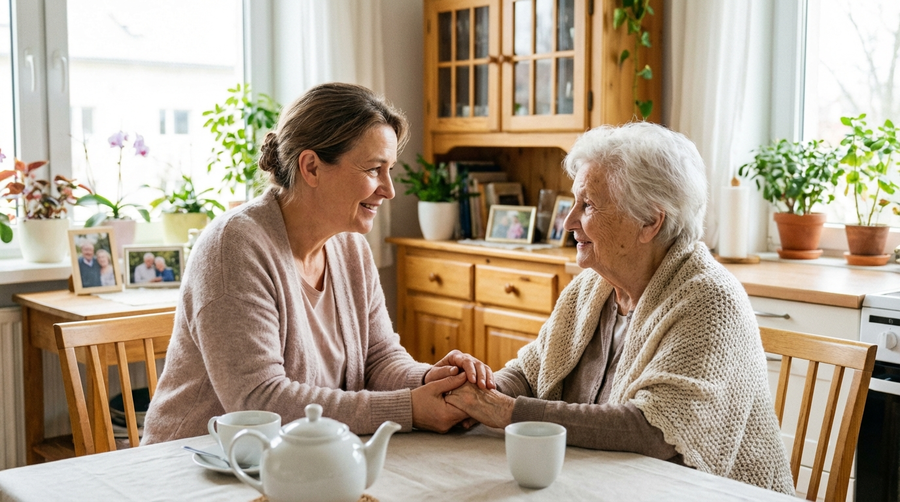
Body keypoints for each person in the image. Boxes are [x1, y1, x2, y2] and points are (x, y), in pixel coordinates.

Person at [444, 123, 794, 494]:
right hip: (610, 485)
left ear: (650, 221)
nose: (568, 221)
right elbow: (531, 373)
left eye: (588, 205)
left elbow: (653, 429)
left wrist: (508, 412)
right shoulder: (591, 287)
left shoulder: (709, 300)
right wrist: (476, 389)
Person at [143, 83, 493, 444]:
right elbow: (259, 401)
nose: (389, 189)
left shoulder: (350, 247)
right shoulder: (234, 246)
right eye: (375, 169)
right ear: (311, 167)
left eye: (389, 170)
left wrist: (429, 381)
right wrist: (408, 408)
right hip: (194, 465)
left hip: (299, 460)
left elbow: (379, 357)